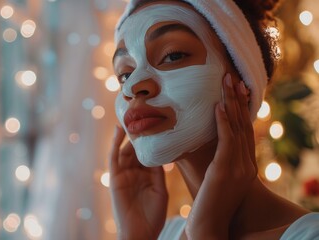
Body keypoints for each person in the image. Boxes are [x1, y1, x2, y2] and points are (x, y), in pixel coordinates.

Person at [109, 0, 319, 239]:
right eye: (125, 74)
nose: (133, 86)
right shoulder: (164, 234)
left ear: (243, 83)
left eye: (172, 55)